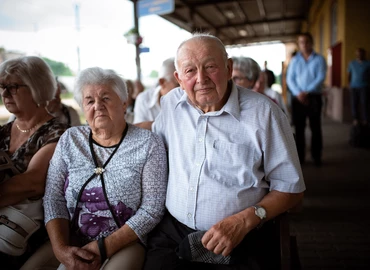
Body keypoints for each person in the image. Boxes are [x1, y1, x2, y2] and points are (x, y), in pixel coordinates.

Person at [142, 33, 305, 270]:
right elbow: (152, 133)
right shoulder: (171, 105)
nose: (201, 78)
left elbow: (292, 189)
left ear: (228, 68)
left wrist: (245, 220)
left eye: (210, 66)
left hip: (242, 236)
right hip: (174, 234)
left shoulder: (264, 114)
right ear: (178, 78)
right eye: (190, 71)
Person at [21, 67, 168, 270]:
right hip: (70, 239)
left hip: (125, 243)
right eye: (89, 101)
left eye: (106, 98)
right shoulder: (70, 139)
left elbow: (152, 209)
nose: (97, 106)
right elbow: (53, 197)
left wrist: (102, 247)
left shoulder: (148, 143)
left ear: (124, 102)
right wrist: (61, 248)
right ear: (82, 106)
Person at [0, 56, 69, 269]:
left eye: (12, 87)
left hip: (23, 235)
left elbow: (33, 182)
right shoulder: (3, 131)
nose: (4, 93)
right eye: (2, 86)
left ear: (36, 87)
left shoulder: (57, 133)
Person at [286, 32, 327, 166]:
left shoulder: (319, 59)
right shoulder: (294, 60)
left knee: (316, 128)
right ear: (299, 44)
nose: (304, 44)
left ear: (311, 43)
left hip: (314, 97)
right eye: (302, 42)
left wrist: (307, 92)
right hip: (297, 98)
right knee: (299, 128)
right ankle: (300, 158)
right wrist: (299, 93)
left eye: (307, 42)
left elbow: (320, 77)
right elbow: (289, 79)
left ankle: (317, 157)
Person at [7, 77, 81, 127]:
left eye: (59, 95)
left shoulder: (69, 113)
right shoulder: (20, 116)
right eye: (55, 97)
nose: (59, 100)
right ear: (43, 97)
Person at [133, 57, 179, 123]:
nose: (183, 88)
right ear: (162, 82)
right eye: (178, 85)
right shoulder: (144, 99)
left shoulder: (187, 99)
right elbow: (139, 130)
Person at [347, 48, 370, 126]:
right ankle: (355, 119)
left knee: (364, 103)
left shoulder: (368, 63)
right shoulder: (352, 63)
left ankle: (365, 119)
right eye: (358, 53)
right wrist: (349, 84)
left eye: (361, 53)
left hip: (364, 86)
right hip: (354, 87)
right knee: (354, 103)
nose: (359, 55)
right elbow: (349, 74)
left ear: (364, 54)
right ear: (356, 54)